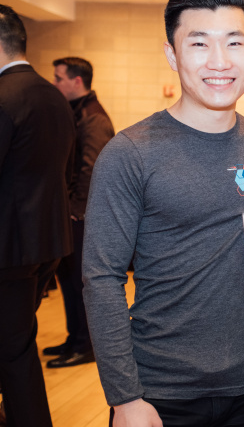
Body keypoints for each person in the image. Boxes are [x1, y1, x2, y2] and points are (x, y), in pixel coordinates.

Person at [82, 0, 244, 427]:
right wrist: (125, 397)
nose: (220, 61)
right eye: (198, 44)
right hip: (157, 390)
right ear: (172, 54)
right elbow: (101, 277)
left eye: (234, 42)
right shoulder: (130, 151)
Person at [0, 4, 75, 427]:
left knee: (14, 352)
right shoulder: (53, 95)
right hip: (45, 242)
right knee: (15, 344)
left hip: (8, 248)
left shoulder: (4, 96)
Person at [43, 56, 115, 368]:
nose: (55, 84)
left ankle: (85, 345)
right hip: (71, 214)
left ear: (76, 81)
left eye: (59, 78)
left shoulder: (93, 117)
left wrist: (74, 211)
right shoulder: (76, 112)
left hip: (82, 218)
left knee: (80, 284)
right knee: (68, 283)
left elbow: (92, 169)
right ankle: (75, 338)